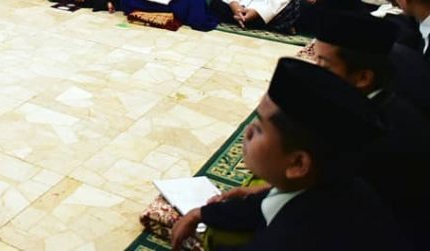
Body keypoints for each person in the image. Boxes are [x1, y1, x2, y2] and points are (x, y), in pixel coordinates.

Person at [170, 57, 409, 251]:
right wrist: (202, 213)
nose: (248, 131)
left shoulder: (291, 239)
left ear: (298, 163)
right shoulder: (336, 182)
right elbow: (268, 201)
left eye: (260, 129)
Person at [311, 12, 430, 248]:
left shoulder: (374, 135)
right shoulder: (382, 101)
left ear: (363, 78)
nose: (316, 72)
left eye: (324, 65)